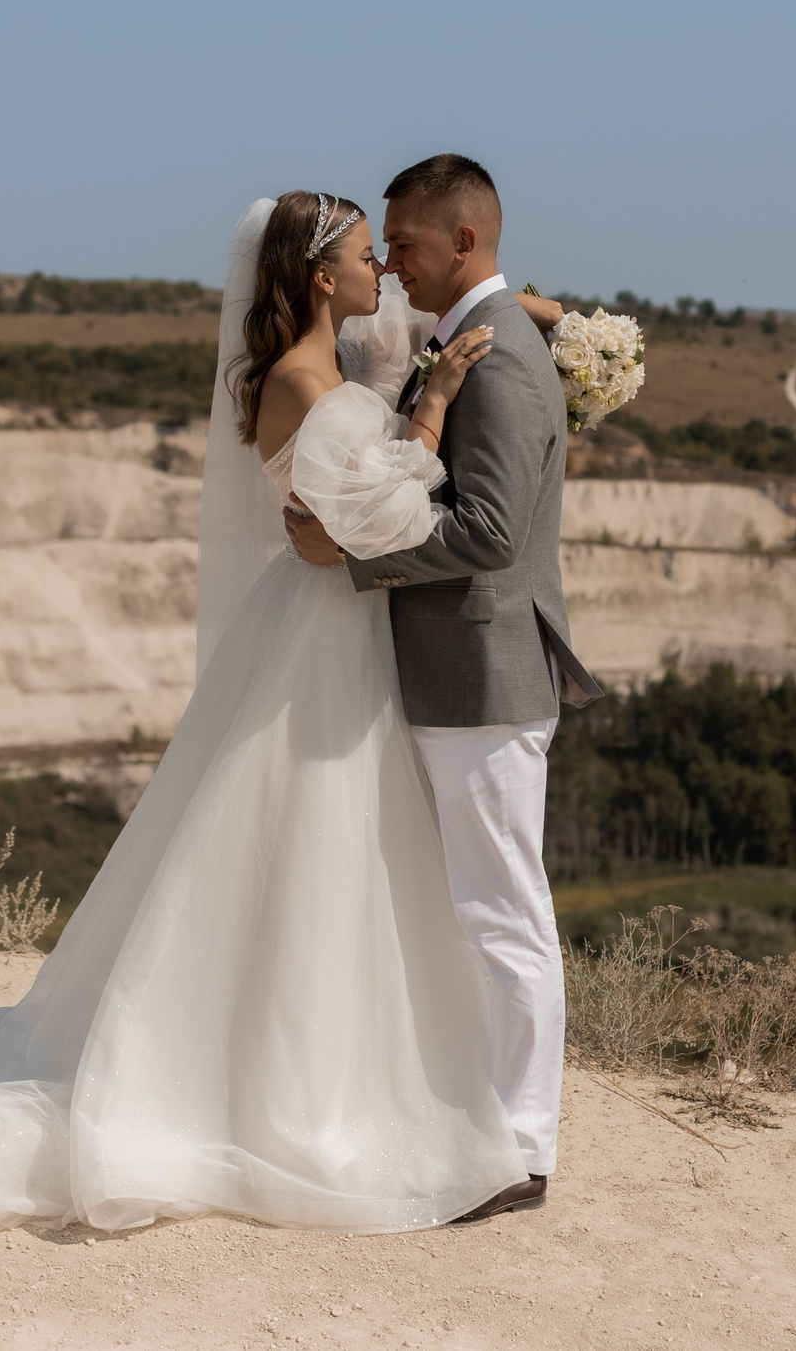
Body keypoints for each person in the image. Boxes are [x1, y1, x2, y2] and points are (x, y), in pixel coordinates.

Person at [0, 188, 558, 1237]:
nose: (383, 272)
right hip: (325, 629)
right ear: (321, 276)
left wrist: (528, 317)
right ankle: (287, 1086)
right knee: (311, 846)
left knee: (341, 853)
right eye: (366, 256)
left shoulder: (330, 359)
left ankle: (330, 1062)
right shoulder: (303, 381)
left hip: (333, 625)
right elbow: (381, 509)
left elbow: (427, 324)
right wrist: (435, 404)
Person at [287, 153, 602, 1220]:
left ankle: (522, 1150)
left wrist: (356, 553)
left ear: (463, 241)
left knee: (502, 911)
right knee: (468, 908)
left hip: (483, 669)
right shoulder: (482, 332)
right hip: (456, 666)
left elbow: (490, 531)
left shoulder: (498, 357)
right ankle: (475, 1122)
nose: (395, 265)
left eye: (407, 244)